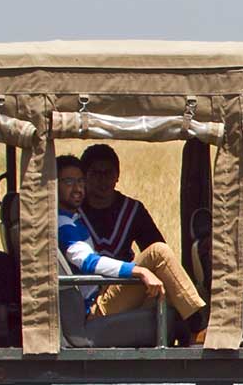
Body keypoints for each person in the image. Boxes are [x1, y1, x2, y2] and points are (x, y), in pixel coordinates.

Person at [56, 155, 206, 336]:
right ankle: (199, 328)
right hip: (95, 306)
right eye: (68, 182)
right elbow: (87, 261)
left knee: (172, 290)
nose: (77, 189)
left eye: (80, 181)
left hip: (102, 292)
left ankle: (191, 333)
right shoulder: (62, 223)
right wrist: (139, 270)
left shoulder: (72, 218)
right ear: (53, 184)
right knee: (158, 253)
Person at [77, 144, 165, 261]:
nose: (103, 180)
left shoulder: (132, 210)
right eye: (96, 173)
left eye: (108, 173)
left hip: (126, 276)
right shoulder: (74, 209)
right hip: (84, 276)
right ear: (84, 176)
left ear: (118, 175)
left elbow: (157, 250)